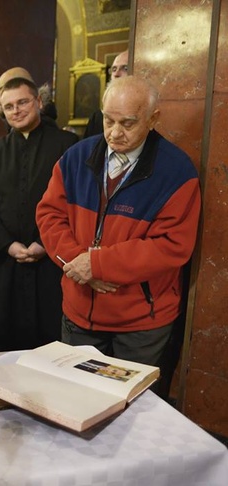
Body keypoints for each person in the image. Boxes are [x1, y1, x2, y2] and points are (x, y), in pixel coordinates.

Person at [36, 76, 201, 386]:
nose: (114, 133)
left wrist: (98, 264)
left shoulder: (177, 173)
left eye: (127, 123)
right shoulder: (75, 158)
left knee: (128, 408)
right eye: (108, 120)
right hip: (78, 311)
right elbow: (49, 215)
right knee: (75, 396)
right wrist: (77, 263)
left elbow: (171, 246)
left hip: (140, 321)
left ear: (153, 119)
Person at [0, 72, 79, 352]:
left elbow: (75, 205)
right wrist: (8, 246)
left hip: (50, 261)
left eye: (23, 102)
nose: (16, 110)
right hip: (5, 262)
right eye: (9, 106)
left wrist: (45, 244)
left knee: (49, 341)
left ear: (39, 102)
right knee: (3, 342)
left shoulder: (67, 145)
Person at [83, 50, 129, 139]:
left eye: (125, 68)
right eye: (114, 69)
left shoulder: (146, 112)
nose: (116, 74)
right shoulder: (97, 117)